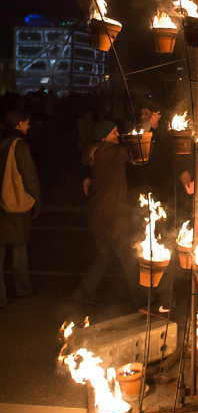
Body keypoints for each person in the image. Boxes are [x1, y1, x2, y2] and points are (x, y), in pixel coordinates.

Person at [72, 119, 148, 312]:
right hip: (111, 216)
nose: (117, 135)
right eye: (114, 132)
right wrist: (147, 125)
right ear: (104, 136)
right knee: (128, 257)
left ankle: (82, 294)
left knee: (103, 256)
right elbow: (135, 149)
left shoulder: (98, 151)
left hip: (99, 213)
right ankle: (142, 300)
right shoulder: (109, 153)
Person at [0, 109, 41, 307]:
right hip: (14, 206)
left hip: (0, 205)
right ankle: (23, 289)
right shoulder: (20, 146)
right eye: (26, 122)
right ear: (18, 124)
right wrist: (37, 201)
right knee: (18, 249)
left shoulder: (2, 141)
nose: (28, 125)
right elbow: (29, 178)